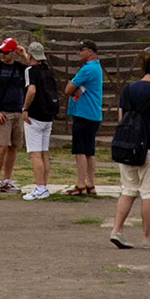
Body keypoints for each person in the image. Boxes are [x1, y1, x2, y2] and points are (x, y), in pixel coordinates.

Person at [109, 53, 150, 250]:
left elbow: (121, 117)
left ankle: (117, 230)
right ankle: (147, 237)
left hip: (127, 145)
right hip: (149, 147)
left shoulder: (127, 89)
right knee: (149, 193)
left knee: (128, 189)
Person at [0, 36, 29, 193]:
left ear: (13, 52)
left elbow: (34, 71)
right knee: (2, 145)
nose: (2, 55)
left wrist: (25, 55)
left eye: (6, 52)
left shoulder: (20, 67)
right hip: (3, 111)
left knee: (14, 147)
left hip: (17, 110)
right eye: (1, 52)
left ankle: (7, 180)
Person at [63, 39, 104, 196]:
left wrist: (71, 85)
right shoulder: (96, 67)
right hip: (93, 113)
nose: (78, 53)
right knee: (89, 151)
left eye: (81, 50)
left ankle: (81, 184)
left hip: (84, 113)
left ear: (90, 51)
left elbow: (68, 89)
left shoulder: (87, 69)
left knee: (79, 150)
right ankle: (90, 183)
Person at [21, 40, 60, 201]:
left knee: (35, 153)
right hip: (47, 116)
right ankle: (44, 185)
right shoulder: (47, 70)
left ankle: (40, 186)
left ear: (31, 56)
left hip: (34, 116)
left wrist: (25, 108)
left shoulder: (30, 70)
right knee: (44, 152)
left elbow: (31, 90)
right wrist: (24, 54)